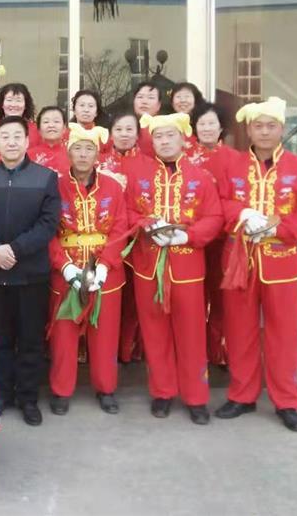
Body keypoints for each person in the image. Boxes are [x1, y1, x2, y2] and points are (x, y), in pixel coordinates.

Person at [215, 97, 297, 433]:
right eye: (258, 126)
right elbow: (218, 202)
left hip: (281, 263)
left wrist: (281, 228)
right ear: (249, 130)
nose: (264, 132)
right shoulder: (232, 166)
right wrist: (241, 213)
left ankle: (287, 401)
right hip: (240, 261)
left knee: (283, 334)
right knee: (239, 332)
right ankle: (242, 395)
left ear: (281, 129)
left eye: (271, 126)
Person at [125, 112, 223, 425]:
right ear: (151, 141)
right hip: (148, 266)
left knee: (192, 334)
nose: (165, 141)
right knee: (154, 333)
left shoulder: (200, 177)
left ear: (183, 139)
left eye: (171, 135)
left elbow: (215, 217)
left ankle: (196, 397)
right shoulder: (139, 175)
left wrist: (189, 235)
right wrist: (145, 224)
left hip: (188, 268)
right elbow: (126, 211)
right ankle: (162, 392)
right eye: (159, 136)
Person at [0, 116, 61, 426]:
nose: (11, 142)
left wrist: (15, 250)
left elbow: (48, 223)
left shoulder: (45, 178)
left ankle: (27, 398)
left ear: (27, 141)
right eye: (5, 136)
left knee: (30, 339)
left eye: (17, 136)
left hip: (31, 273)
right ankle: (0, 394)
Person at [48, 124, 129, 416]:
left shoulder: (113, 187)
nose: (83, 154)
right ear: (68, 153)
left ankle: (106, 388)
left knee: (105, 334)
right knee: (64, 334)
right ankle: (61, 390)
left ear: (98, 155)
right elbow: (47, 231)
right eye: (77, 149)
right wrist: (64, 266)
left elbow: (120, 229)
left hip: (106, 273)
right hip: (66, 271)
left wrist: (106, 265)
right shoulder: (53, 186)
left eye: (89, 149)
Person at [187, 103, 241, 367]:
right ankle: (195, 351)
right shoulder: (184, 158)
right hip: (190, 239)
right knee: (194, 298)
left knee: (222, 297)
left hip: (223, 239)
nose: (207, 128)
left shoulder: (235, 159)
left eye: (212, 123)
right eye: (202, 124)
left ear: (221, 128)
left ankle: (218, 350)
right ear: (194, 128)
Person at [98, 111, 146, 363]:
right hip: (108, 240)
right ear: (110, 133)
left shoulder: (149, 164)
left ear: (138, 134)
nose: (124, 134)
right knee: (108, 296)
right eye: (119, 129)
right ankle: (103, 350)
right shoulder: (100, 163)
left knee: (135, 299)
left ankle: (128, 350)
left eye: (129, 129)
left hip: (140, 239)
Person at [27, 106, 69, 179]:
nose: (51, 125)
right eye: (46, 122)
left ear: (64, 128)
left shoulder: (72, 155)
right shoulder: (27, 156)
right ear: (39, 129)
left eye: (56, 121)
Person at [132, 80, 163, 158]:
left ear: (159, 105)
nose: (144, 102)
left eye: (151, 97)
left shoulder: (167, 127)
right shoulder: (124, 127)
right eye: (140, 97)